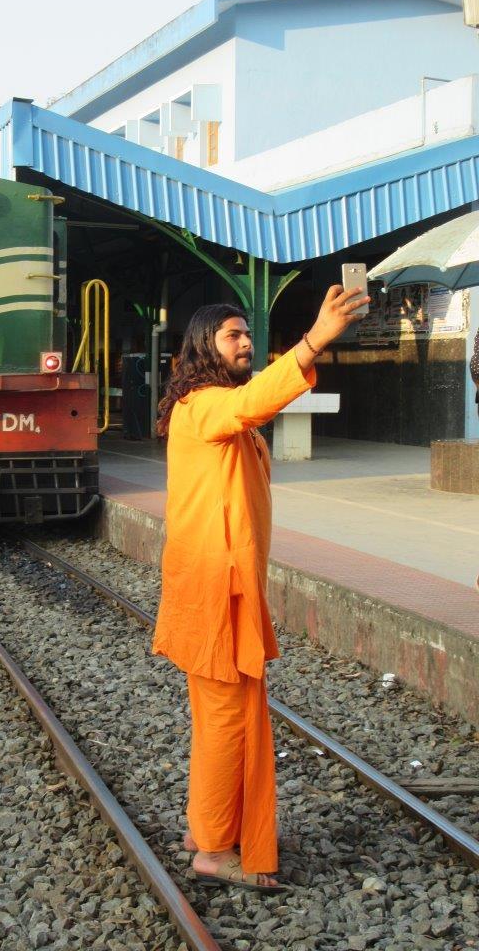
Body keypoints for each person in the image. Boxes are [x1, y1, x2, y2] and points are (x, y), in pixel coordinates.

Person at [153, 284, 369, 893]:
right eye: (233, 335)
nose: (246, 342)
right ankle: (217, 850)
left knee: (218, 716)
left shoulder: (218, 407)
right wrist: (313, 341)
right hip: (215, 591)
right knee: (226, 720)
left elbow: (250, 404)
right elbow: (252, 403)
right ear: (204, 346)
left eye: (248, 333)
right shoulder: (203, 407)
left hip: (221, 587)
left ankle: (206, 826)